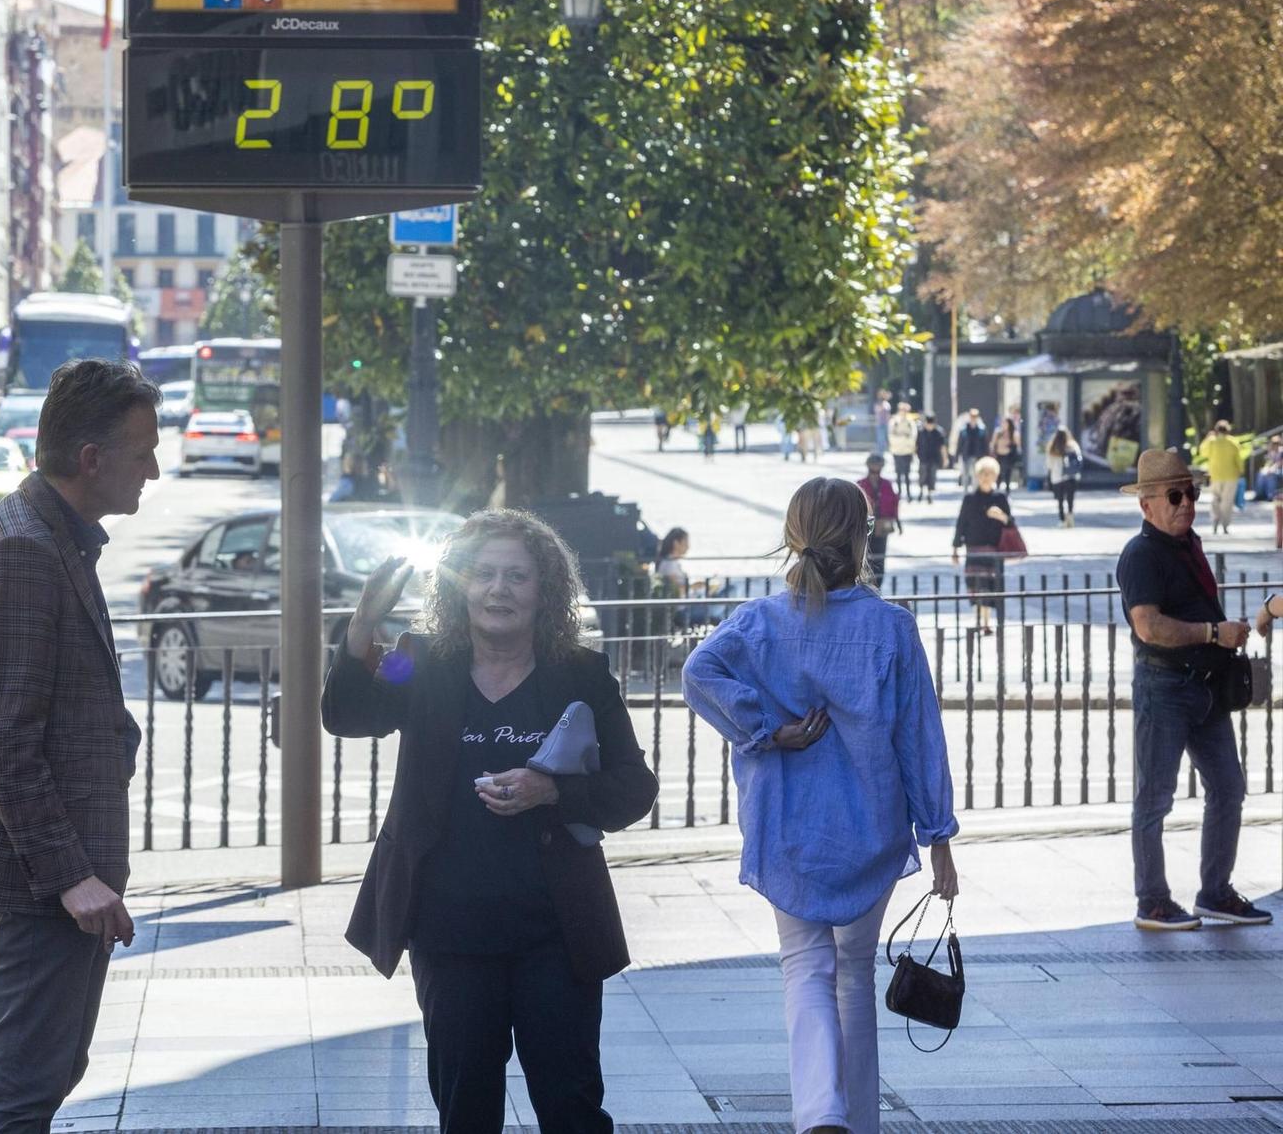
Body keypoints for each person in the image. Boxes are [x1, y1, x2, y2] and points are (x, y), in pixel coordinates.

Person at [323, 510, 659, 1134]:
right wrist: (364, 624)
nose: (498, 589)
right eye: (483, 574)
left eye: (517, 576)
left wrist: (552, 791)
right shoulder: (420, 662)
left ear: (545, 591)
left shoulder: (578, 675)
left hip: (555, 931)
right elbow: (350, 714)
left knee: (571, 1106)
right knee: (465, 1108)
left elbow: (634, 789)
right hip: (449, 930)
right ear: (459, 585)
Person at [0, 359, 163, 1132]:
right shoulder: (25, 548)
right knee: (22, 1087)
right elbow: (2, 740)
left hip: (57, 869)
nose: (155, 467)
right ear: (91, 460)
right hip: (43, 876)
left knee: (46, 1069)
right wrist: (71, 877)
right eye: (143, 449)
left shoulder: (52, 535)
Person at [683, 477, 959, 1134]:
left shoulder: (759, 621)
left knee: (805, 968)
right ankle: (858, 1122)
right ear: (863, 539)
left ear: (793, 536)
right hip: (868, 827)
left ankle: (819, 1112)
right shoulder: (890, 628)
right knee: (854, 978)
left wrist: (762, 728)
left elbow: (699, 673)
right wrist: (938, 834)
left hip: (786, 828)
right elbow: (920, 736)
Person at [1116, 449, 1271, 931]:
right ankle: (1153, 900)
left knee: (1228, 787)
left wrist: (1223, 633)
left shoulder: (1189, 545)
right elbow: (1148, 626)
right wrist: (1211, 633)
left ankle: (1215, 891)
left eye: (1192, 492)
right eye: (1175, 495)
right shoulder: (1140, 555)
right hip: (1165, 686)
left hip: (1205, 688)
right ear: (1146, 504)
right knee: (1154, 798)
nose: (1187, 503)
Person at [950, 456, 1014, 633]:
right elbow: (961, 523)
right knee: (975, 587)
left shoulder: (1000, 497)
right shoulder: (969, 499)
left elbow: (1011, 523)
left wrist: (1001, 516)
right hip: (973, 549)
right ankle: (980, 619)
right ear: (977, 476)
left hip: (994, 550)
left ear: (996, 476)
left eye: (990, 473)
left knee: (989, 587)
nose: (986, 477)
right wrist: (955, 549)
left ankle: (985, 621)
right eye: (983, 473)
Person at [857, 454, 900, 586]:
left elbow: (894, 503)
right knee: (865, 555)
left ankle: (878, 583)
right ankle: (865, 582)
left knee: (880, 555)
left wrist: (897, 521)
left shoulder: (887, 484)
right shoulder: (861, 484)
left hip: (883, 524)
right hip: (866, 525)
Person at [1197, 420, 1245, 535]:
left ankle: (1215, 521)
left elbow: (1202, 452)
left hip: (1216, 475)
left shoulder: (1212, 442)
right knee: (1227, 501)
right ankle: (1225, 525)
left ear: (1216, 430)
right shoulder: (1233, 442)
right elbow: (1238, 459)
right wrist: (1241, 470)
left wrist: (1208, 438)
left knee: (1215, 499)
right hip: (1231, 475)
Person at [1046, 428, 1084, 527]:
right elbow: (1079, 460)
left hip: (1057, 477)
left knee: (1060, 501)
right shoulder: (1073, 446)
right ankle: (1070, 518)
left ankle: (1062, 520)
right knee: (1070, 499)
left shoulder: (1053, 448)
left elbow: (1049, 465)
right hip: (1071, 476)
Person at [887, 401, 920, 502]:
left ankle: (909, 494)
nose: (903, 412)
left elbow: (913, 437)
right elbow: (891, 437)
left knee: (907, 473)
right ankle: (899, 493)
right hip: (896, 451)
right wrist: (904, 438)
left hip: (907, 452)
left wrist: (901, 439)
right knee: (898, 473)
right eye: (902, 410)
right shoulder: (894, 421)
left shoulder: (911, 422)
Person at [915, 412, 948, 505]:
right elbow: (917, 445)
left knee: (931, 477)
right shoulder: (921, 431)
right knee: (922, 475)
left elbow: (943, 447)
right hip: (923, 457)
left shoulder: (939, 432)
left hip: (934, 458)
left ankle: (929, 494)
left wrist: (945, 459)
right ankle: (921, 491)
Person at [955, 409, 988, 489]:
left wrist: (986, 456)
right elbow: (960, 443)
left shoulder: (982, 429)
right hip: (966, 455)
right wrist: (957, 455)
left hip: (977, 455)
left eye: (975, 416)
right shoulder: (963, 429)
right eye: (972, 416)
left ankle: (975, 492)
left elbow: (985, 444)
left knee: (976, 475)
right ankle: (965, 492)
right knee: (965, 474)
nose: (973, 418)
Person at [990, 406, 1022, 490]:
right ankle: (997, 488)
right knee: (999, 473)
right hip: (999, 455)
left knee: (1008, 473)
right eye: (1003, 423)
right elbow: (993, 444)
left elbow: (1017, 445)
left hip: (1008, 456)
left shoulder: (1013, 434)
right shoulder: (998, 432)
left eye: (1005, 423)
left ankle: (1007, 489)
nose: (1004, 425)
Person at [1255, 435, 1283, 502]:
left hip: (1280, 469)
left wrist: (1272, 469)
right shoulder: (1271, 452)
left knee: (1271, 475)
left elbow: (1280, 463)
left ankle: (1270, 495)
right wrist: (1265, 469)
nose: (1275, 445)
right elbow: (1268, 462)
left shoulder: (1282, 451)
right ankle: (1260, 494)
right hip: (1273, 469)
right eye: (1273, 444)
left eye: (1276, 443)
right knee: (1260, 474)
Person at [873, 388, 892, 454]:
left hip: (887, 424)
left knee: (888, 440)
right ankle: (880, 454)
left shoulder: (887, 403)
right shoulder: (878, 403)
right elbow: (878, 410)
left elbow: (888, 414)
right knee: (881, 440)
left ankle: (885, 453)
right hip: (880, 424)